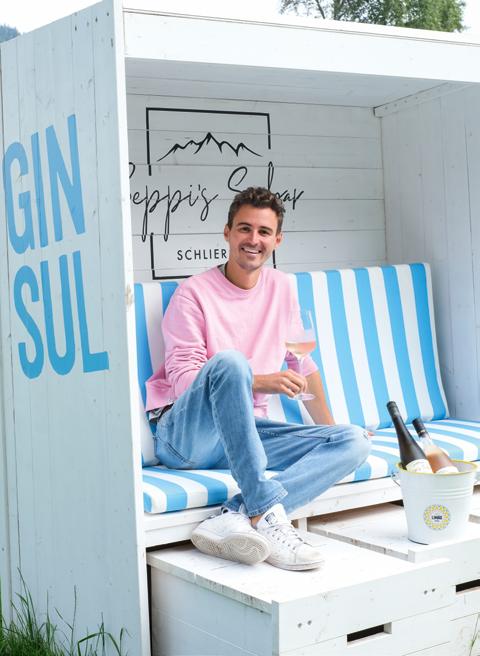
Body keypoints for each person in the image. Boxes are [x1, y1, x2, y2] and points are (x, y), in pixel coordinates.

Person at [146, 187, 371, 571]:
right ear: (228, 233)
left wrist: (330, 430)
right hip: (187, 438)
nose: (254, 239)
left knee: (353, 441)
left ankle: (236, 513)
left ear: (277, 240)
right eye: (244, 229)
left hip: (245, 435)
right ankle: (267, 512)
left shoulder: (282, 287)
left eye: (264, 232)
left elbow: (301, 363)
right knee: (231, 363)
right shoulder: (192, 294)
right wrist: (259, 381)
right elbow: (184, 383)